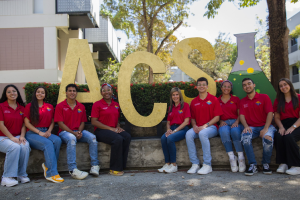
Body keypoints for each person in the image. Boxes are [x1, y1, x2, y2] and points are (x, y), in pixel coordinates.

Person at [54, 84, 100, 179]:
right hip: (64, 133)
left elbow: (83, 122)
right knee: (71, 139)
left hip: (78, 131)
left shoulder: (81, 106)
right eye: (70, 91)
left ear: (76, 93)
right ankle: (73, 169)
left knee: (93, 138)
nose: (72, 92)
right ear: (66, 93)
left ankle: (95, 166)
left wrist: (79, 132)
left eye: (74, 91)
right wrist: (74, 133)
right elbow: (60, 124)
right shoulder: (60, 106)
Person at [24, 86, 64, 183]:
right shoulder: (29, 106)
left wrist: (49, 131)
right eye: (38, 92)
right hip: (32, 133)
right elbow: (26, 122)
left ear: (45, 95)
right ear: (35, 93)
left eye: (42, 92)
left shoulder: (49, 106)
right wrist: (39, 132)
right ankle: (52, 173)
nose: (40, 94)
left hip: (46, 131)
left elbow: (52, 121)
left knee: (57, 140)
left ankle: (47, 165)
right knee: (48, 144)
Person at [91, 83, 131, 176]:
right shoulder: (97, 104)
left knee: (127, 136)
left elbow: (116, 119)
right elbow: (94, 121)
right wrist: (111, 129)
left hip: (113, 129)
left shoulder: (116, 104)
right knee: (118, 139)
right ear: (101, 93)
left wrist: (117, 126)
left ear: (112, 92)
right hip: (101, 131)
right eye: (104, 90)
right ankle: (114, 168)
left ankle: (121, 165)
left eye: (108, 90)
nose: (106, 92)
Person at [186, 77, 223, 175]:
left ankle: (207, 165)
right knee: (188, 134)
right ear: (196, 87)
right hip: (198, 127)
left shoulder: (213, 99)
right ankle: (195, 164)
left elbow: (217, 117)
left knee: (202, 133)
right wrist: (194, 126)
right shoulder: (194, 102)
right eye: (199, 84)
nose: (201, 86)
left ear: (207, 86)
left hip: (212, 127)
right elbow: (192, 118)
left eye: (203, 84)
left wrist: (205, 126)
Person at [240, 78, 276, 176]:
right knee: (245, 138)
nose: (247, 86)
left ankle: (265, 164)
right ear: (243, 88)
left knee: (268, 138)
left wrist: (265, 128)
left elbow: (270, 113)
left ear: (254, 85)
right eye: (244, 85)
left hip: (266, 126)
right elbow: (242, 115)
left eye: (249, 84)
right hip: (252, 127)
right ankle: (253, 165)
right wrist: (246, 126)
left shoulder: (264, 97)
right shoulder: (243, 101)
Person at [0, 85, 31, 187]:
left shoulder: (22, 108)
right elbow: (1, 124)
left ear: (17, 93)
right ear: (5, 94)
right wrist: (11, 138)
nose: (12, 93)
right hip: (3, 137)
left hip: (18, 135)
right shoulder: (1, 106)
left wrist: (22, 136)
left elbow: (23, 124)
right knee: (14, 147)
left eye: (14, 91)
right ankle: (7, 177)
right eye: (9, 92)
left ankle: (21, 174)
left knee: (25, 146)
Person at [158, 88, 191, 173]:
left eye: (177, 94)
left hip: (182, 129)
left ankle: (173, 165)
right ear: (171, 96)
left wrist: (174, 131)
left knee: (170, 138)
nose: (175, 96)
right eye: (173, 95)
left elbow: (186, 122)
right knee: (163, 138)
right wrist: (168, 130)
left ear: (180, 95)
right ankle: (167, 164)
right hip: (172, 128)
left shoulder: (185, 105)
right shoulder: (170, 108)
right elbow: (168, 122)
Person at [274, 78, 300, 175]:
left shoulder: (298, 98)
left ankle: (296, 166)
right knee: (278, 136)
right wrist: (281, 127)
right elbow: (276, 117)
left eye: (285, 84)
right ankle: (283, 163)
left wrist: (293, 127)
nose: (283, 87)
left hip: (297, 124)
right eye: (281, 86)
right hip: (283, 124)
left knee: (289, 137)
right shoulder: (278, 101)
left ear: (290, 85)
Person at [218, 80, 246, 173]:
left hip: (235, 121)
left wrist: (237, 122)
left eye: (228, 86)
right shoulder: (217, 100)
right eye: (224, 86)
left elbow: (240, 114)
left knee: (235, 131)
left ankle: (241, 158)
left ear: (231, 88)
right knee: (224, 132)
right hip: (224, 122)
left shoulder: (236, 99)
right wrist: (221, 121)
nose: (226, 88)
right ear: (221, 88)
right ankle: (232, 158)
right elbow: (215, 115)